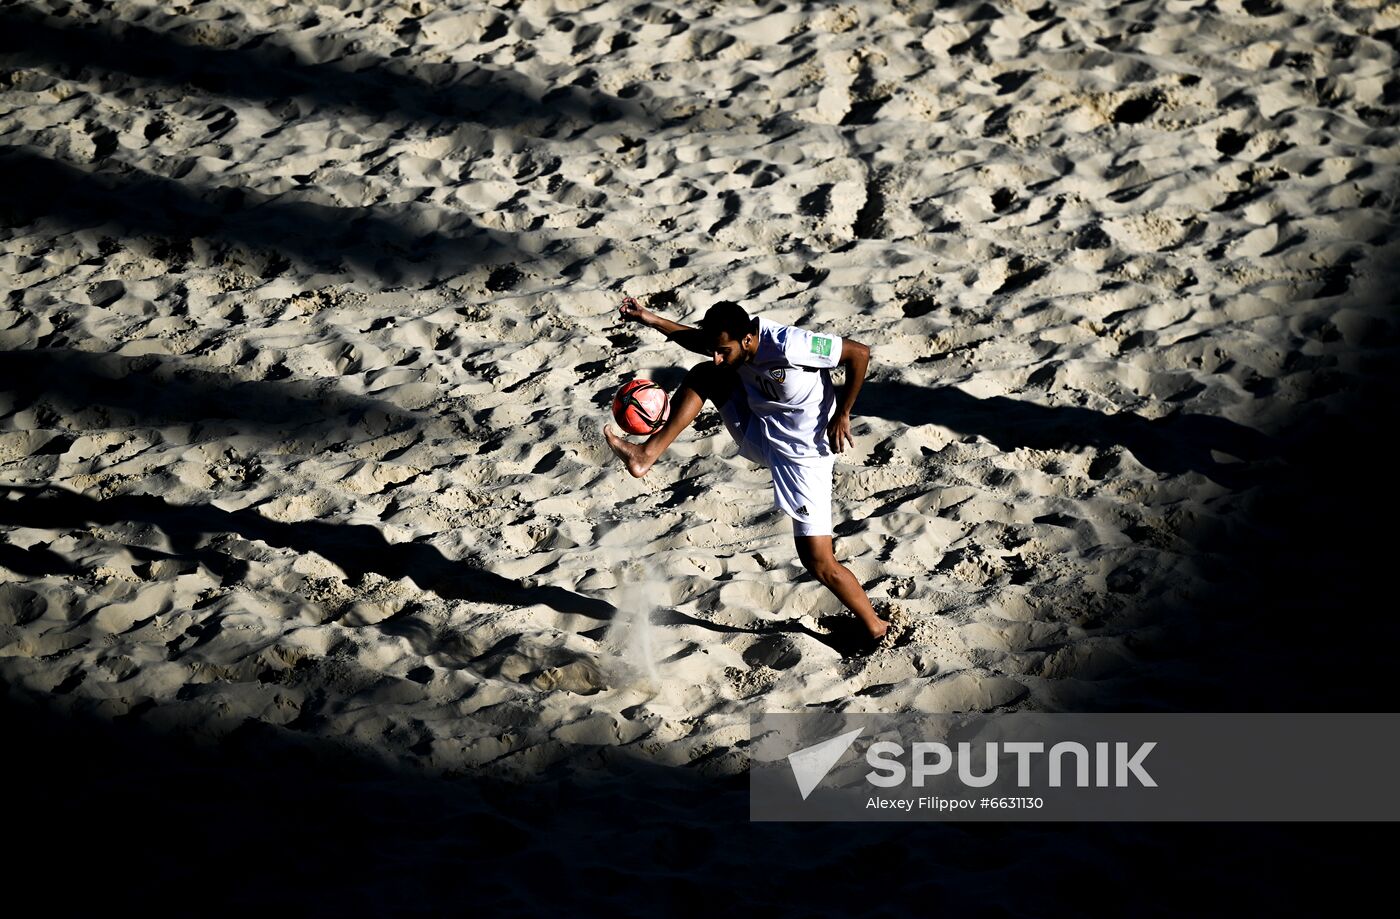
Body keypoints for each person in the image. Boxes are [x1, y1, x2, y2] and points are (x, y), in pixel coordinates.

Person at [604, 296, 889, 645]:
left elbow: (858, 353)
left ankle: (875, 627)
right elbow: (699, 341)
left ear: (749, 340)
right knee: (705, 375)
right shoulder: (731, 347)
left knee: (818, 561)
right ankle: (645, 456)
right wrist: (649, 318)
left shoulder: (792, 345)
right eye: (716, 349)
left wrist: (844, 412)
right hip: (761, 430)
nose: (717, 356)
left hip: (804, 459)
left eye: (724, 350)